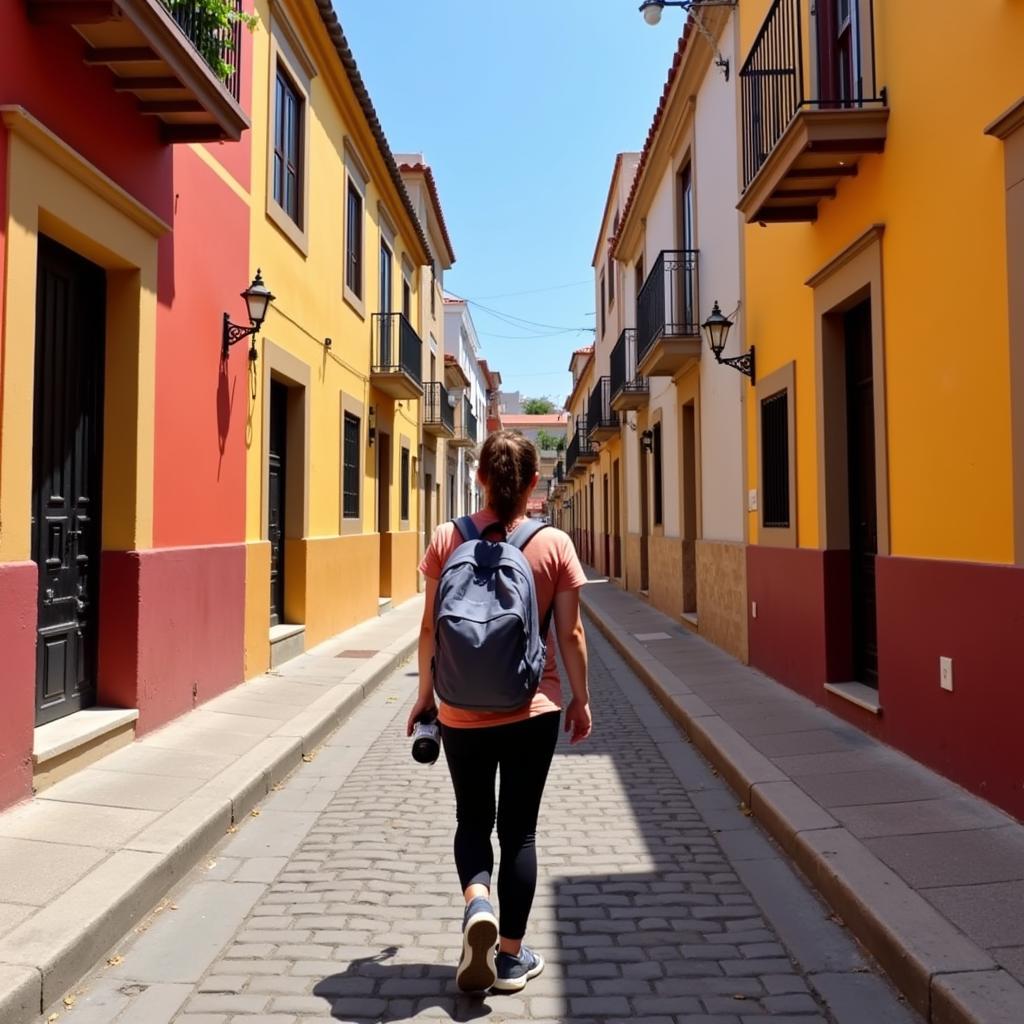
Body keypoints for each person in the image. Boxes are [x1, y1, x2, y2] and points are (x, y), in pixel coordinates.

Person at [409, 430, 591, 994]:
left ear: (481, 478)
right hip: (533, 706)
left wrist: (424, 697)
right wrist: (580, 700)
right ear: (534, 483)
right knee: (519, 834)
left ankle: (477, 902)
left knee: (471, 821)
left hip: (461, 709)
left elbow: (427, 630)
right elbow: (573, 634)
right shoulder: (554, 544)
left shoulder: (447, 537)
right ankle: (509, 958)